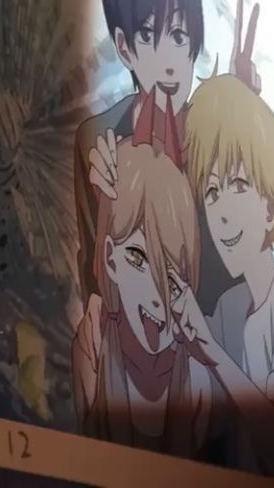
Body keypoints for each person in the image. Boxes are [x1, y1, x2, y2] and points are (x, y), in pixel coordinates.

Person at [74, 0, 259, 316]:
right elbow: (95, 290)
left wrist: (245, 133)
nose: (170, 61)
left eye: (178, 35)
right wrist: (111, 207)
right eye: (148, 35)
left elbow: (242, 277)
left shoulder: (216, 139)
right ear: (124, 47)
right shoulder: (97, 142)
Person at [175, 73, 274, 483]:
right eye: (212, 193)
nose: (222, 213)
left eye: (239, 185)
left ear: (269, 207)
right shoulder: (229, 309)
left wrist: (208, 349)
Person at [71, 87, 212, 458]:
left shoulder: (196, 377)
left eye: (171, 269)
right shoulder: (94, 351)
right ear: (110, 259)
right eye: (137, 258)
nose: (155, 291)